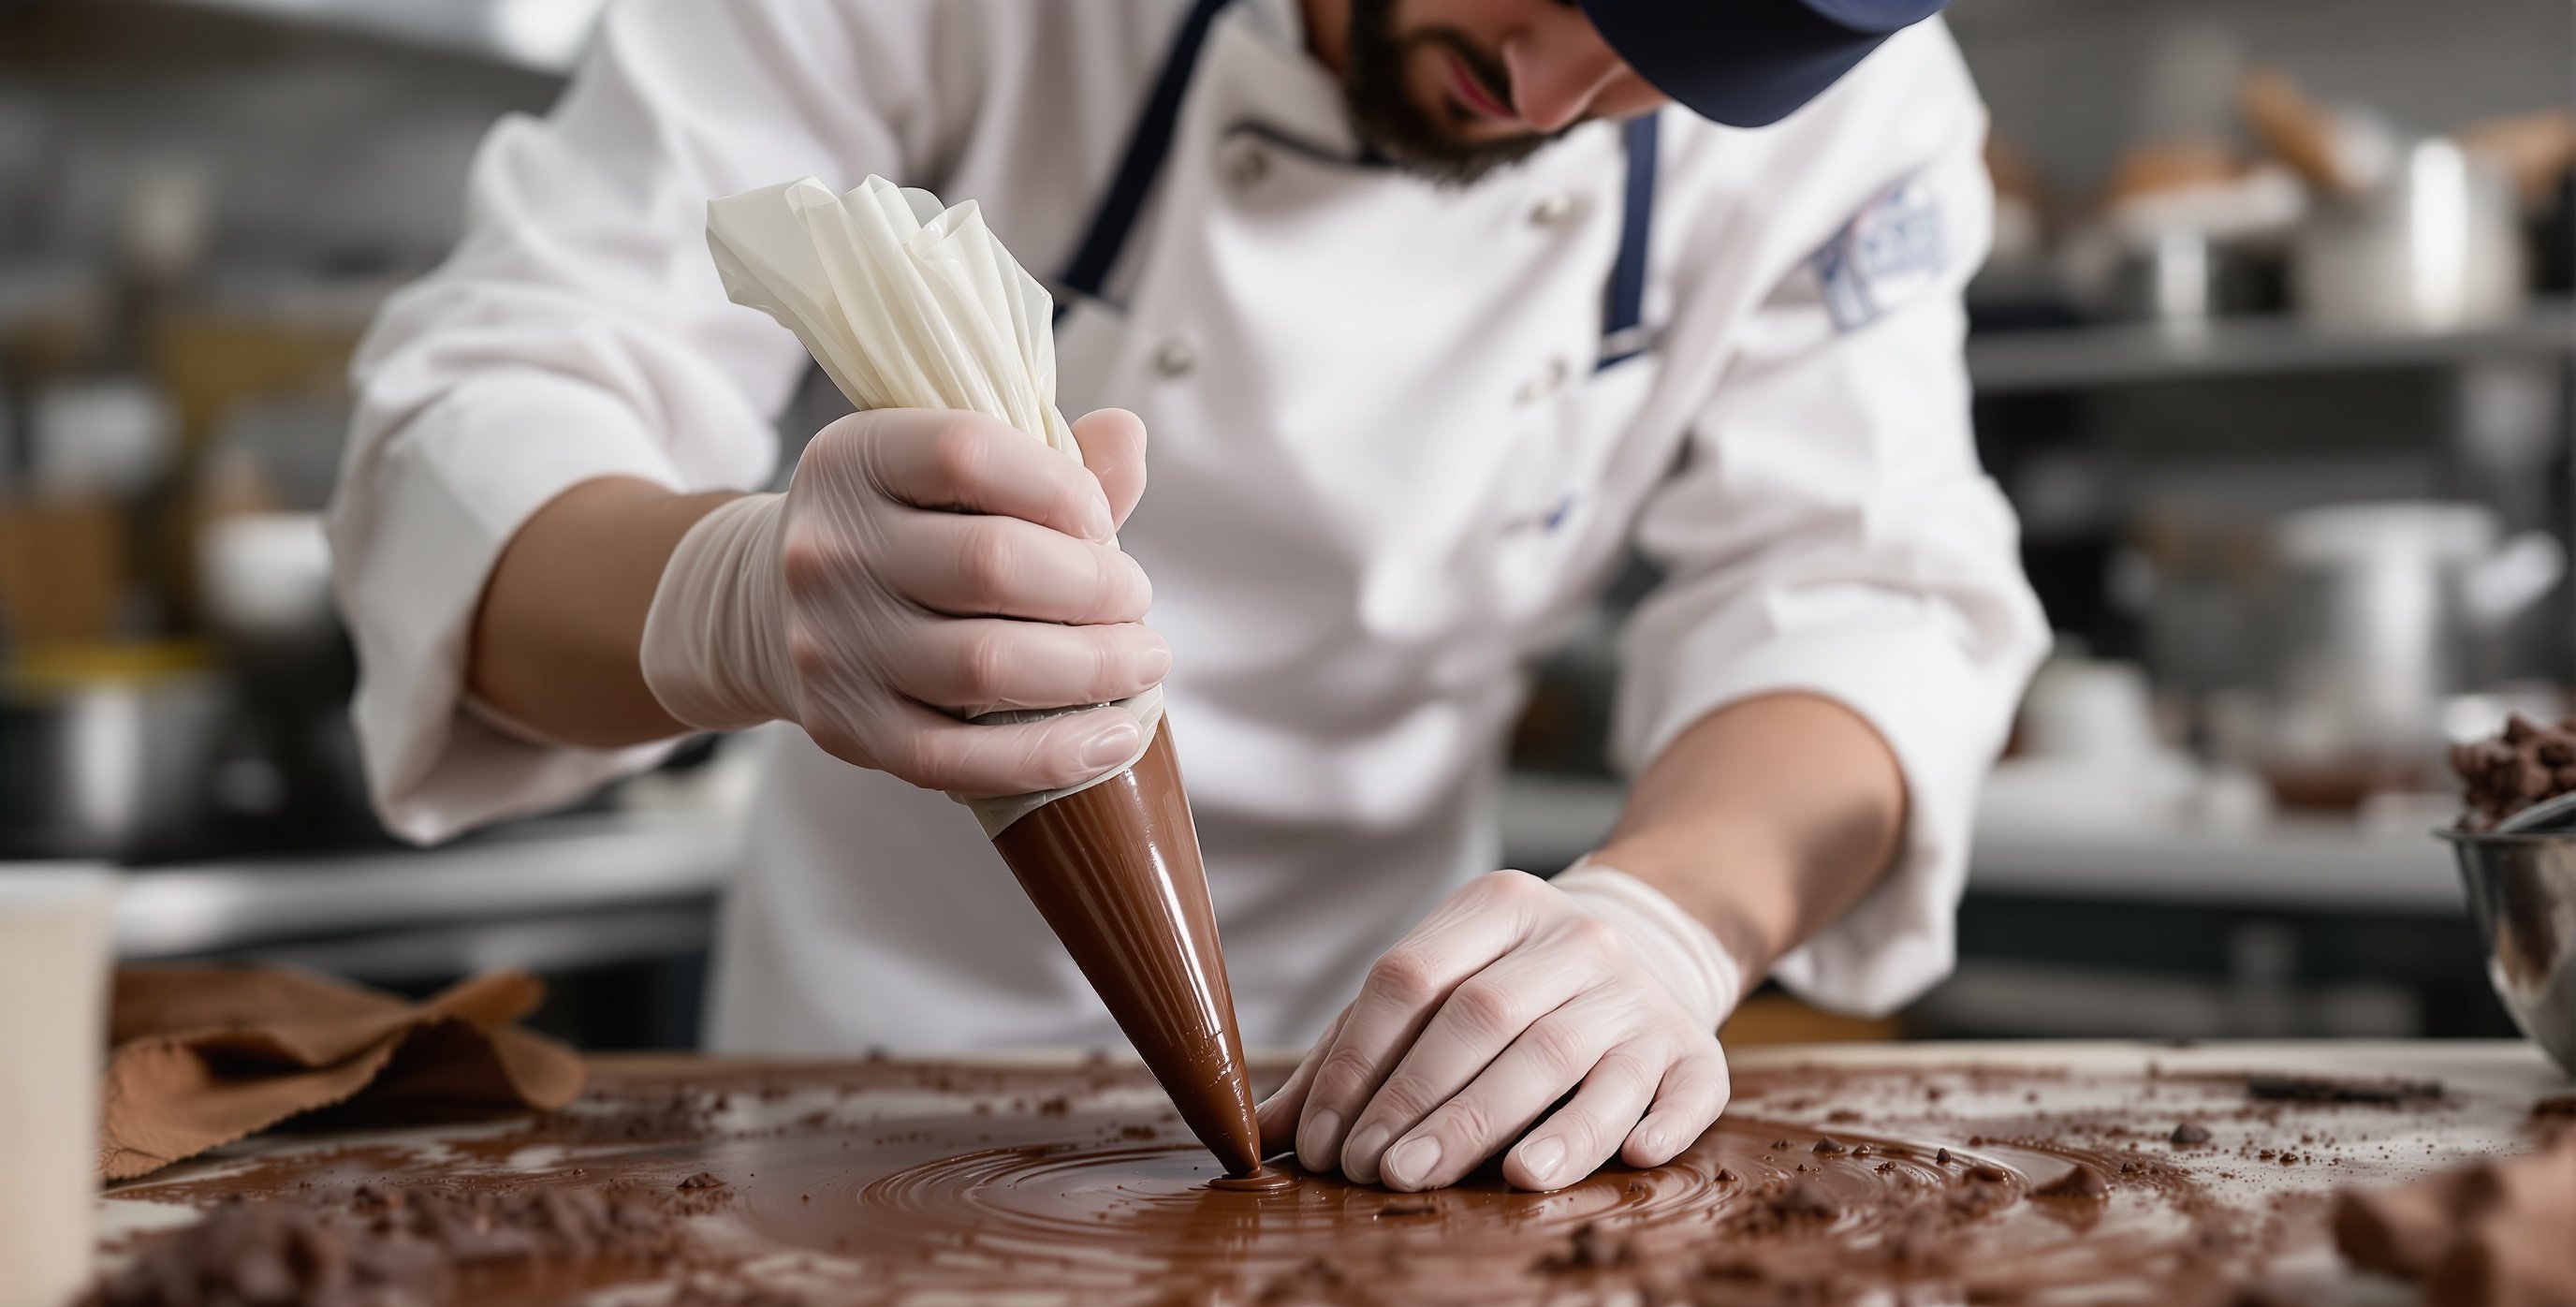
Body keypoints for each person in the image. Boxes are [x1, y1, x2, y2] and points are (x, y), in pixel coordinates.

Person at [330, 0, 2047, 1194]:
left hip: (1406, 1109)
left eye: (1669, 63)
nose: (1541, 81)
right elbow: (481, 432)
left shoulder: (1861, 116)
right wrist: (725, 599)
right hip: (860, 1078)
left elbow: (1867, 597)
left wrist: (1669, 921)